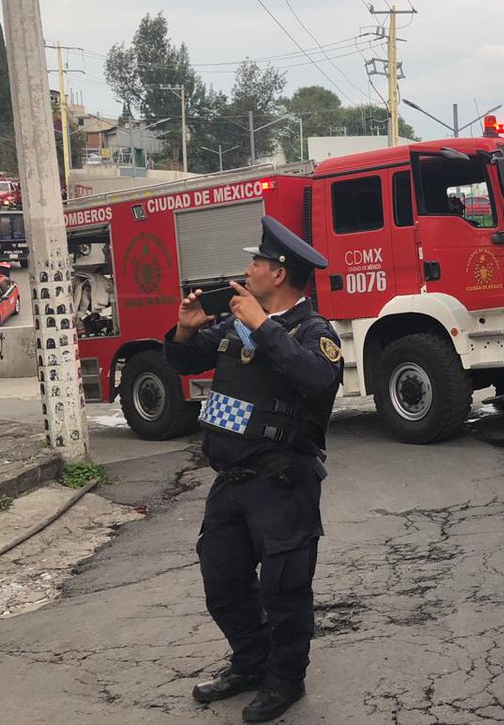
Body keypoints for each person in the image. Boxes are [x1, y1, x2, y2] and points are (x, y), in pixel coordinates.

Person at [165, 216, 343, 723]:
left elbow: (315, 379)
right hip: (231, 481)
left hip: (282, 480)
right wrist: (185, 325)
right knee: (222, 581)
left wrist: (264, 327)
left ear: (279, 273)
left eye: (256, 262)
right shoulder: (237, 322)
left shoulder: (314, 331)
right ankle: (250, 662)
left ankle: (286, 680)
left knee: (284, 590)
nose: (247, 270)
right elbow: (183, 360)